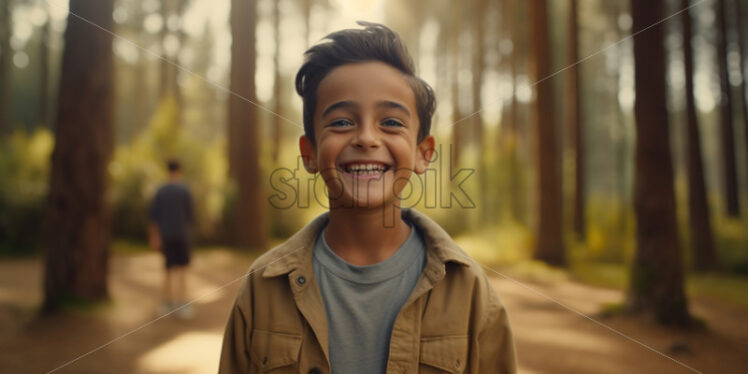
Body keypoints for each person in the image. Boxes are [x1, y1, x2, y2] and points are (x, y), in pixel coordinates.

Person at [219, 22, 516, 373]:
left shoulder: (470, 292)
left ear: (423, 152)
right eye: (342, 123)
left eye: (390, 122)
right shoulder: (262, 288)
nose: (366, 138)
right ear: (309, 152)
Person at [149, 159, 195, 319]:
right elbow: (190, 217)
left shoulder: (161, 191)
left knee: (168, 270)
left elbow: (154, 217)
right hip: (182, 235)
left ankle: (167, 304)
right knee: (183, 270)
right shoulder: (185, 191)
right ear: (179, 170)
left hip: (166, 235)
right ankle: (182, 304)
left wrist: (154, 237)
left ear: (168, 171)